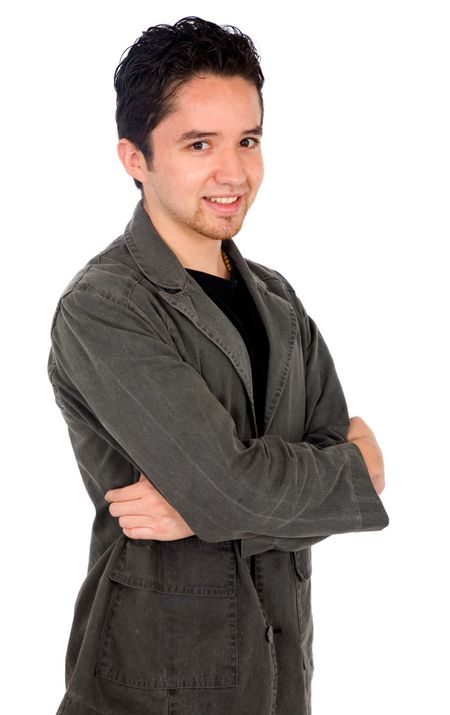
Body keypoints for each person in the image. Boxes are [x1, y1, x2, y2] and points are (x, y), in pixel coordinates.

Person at [48, 16, 389, 715]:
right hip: (154, 685)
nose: (233, 172)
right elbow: (336, 468)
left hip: (279, 677)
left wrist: (204, 505)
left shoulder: (278, 300)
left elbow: (261, 484)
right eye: (198, 144)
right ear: (134, 158)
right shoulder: (105, 307)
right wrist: (316, 480)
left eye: (248, 140)